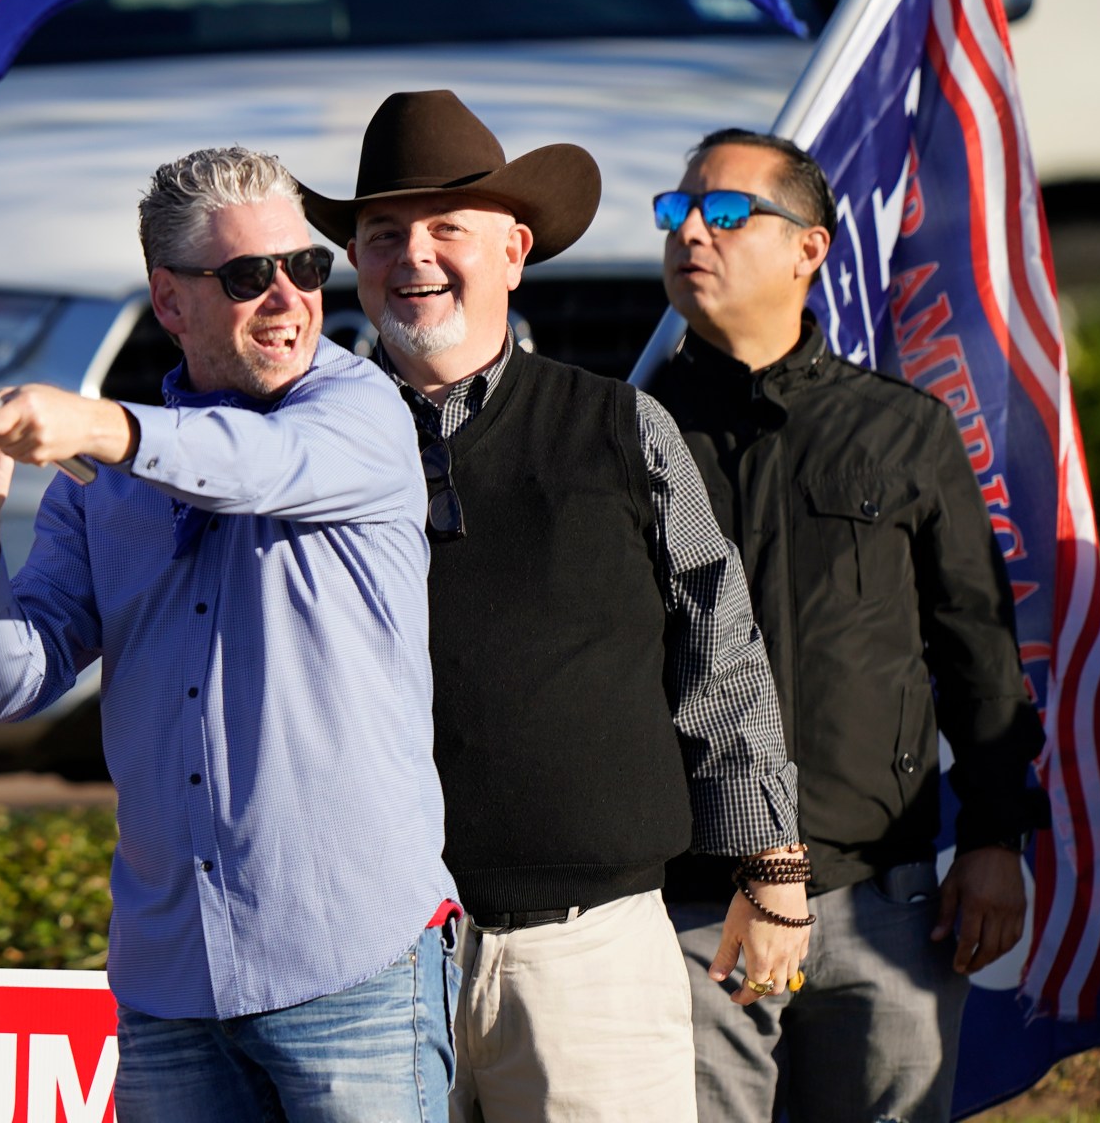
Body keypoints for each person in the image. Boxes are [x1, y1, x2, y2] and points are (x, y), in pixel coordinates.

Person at [0, 146, 459, 1122]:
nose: (287, 297)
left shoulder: (358, 412)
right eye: (245, 277)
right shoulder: (98, 480)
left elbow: (254, 466)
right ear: (169, 301)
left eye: (304, 267)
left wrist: (95, 427)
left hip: (348, 963)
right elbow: (12, 685)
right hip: (168, 980)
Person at [299, 90, 810, 1123]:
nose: (415, 257)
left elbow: (719, 650)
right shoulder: (308, 446)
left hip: (594, 952)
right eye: (384, 234)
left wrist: (771, 871)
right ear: (354, 259)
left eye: (447, 229)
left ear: (514, 249)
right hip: (368, 962)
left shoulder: (623, 425)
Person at [645, 129, 1043, 1123]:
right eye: (677, 210)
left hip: (882, 905)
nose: (692, 230)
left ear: (808, 250)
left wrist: (995, 838)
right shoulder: (624, 434)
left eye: (727, 213)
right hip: (694, 908)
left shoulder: (902, 430)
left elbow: (977, 651)